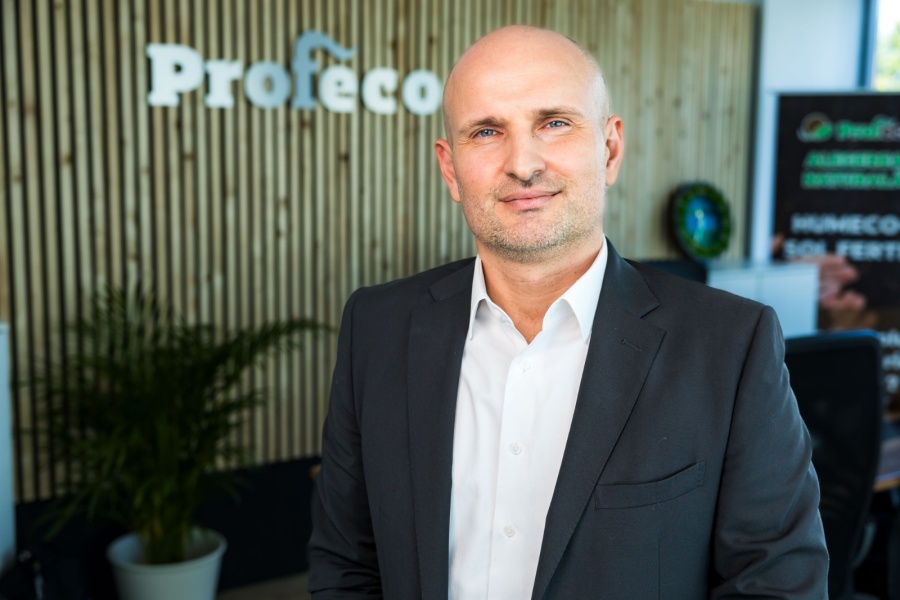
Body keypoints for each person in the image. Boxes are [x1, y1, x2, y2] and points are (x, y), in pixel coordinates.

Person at [308, 25, 828, 599]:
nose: (522, 164)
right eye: (486, 132)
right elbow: (346, 565)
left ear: (609, 149)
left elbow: (778, 584)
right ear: (450, 169)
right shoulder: (377, 328)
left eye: (554, 123)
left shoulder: (730, 346)